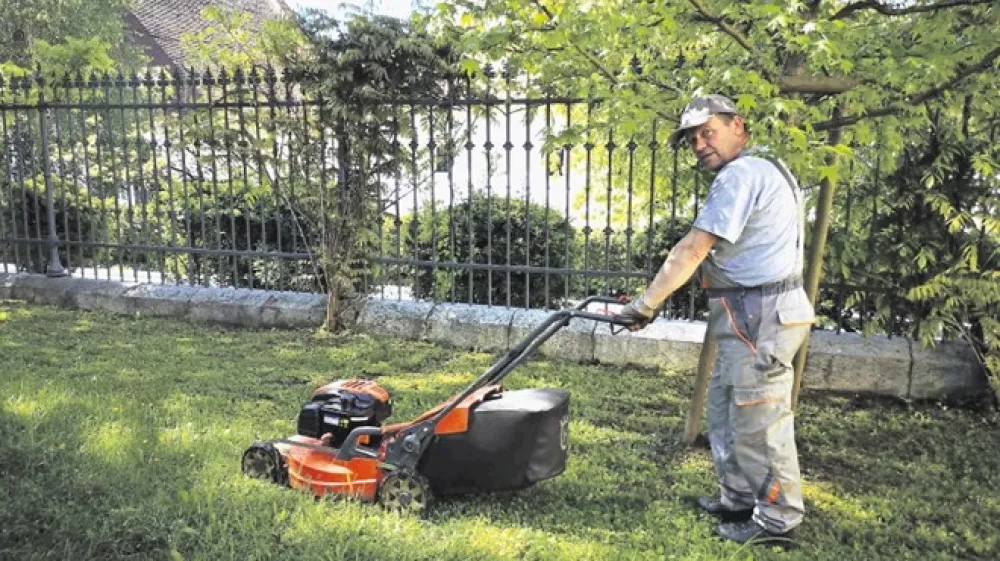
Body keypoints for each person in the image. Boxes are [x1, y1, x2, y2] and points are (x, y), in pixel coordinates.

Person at [615, 94, 815, 544]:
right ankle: (738, 497)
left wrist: (646, 304)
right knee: (726, 410)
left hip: (760, 316)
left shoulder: (741, 175)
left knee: (760, 421)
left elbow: (692, 249)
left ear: (737, 126)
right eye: (692, 139)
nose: (700, 145)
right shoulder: (760, 168)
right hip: (748, 313)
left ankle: (777, 521)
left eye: (709, 132)